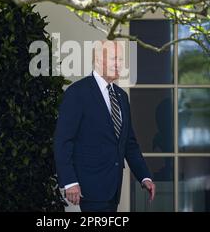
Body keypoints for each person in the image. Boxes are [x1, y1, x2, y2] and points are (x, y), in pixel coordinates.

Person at [54, 40, 156, 212]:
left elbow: (129, 143)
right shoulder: (78, 92)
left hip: (113, 189)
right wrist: (70, 181)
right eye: (114, 58)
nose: (119, 64)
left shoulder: (121, 96)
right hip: (89, 187)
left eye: (121, 60)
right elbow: (63, 140)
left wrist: (144, 176)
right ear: (99, 60)